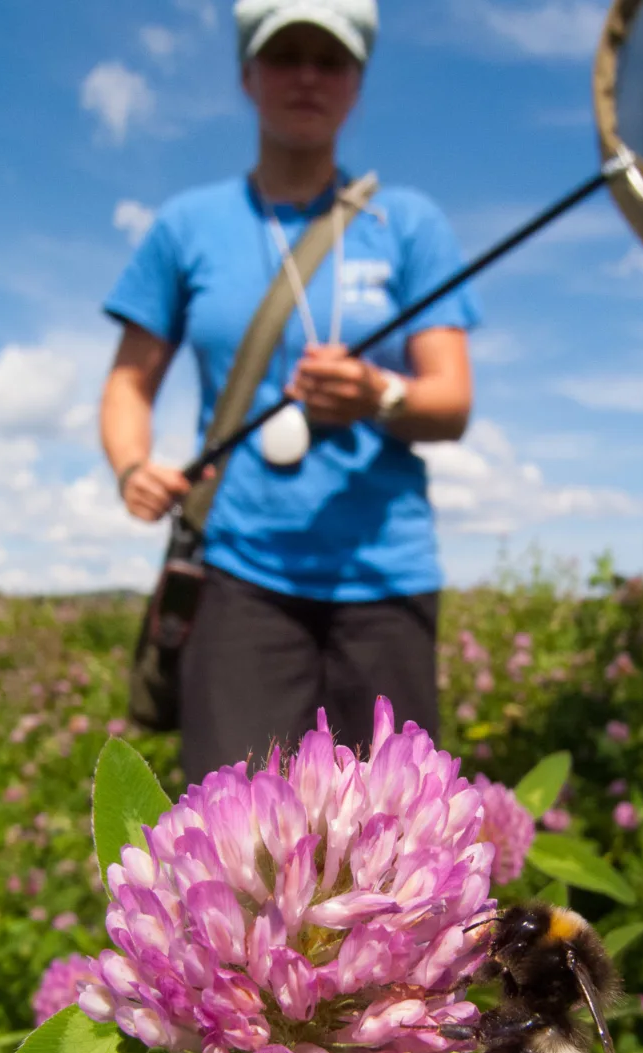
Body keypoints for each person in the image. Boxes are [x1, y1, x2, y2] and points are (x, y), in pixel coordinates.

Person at [100, 0, 478, 782]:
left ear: (358, 84)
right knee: (232, 836)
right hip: (241, 576)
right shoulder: (188, 226)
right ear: (247, 76)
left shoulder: (406, 224)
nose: (308, 75)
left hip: (387, 578)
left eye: (330, 59)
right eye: (285, 54)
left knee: (401, 843)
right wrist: (133, 465)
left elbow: (451, 399)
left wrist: (380, 395)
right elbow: (128, 383)